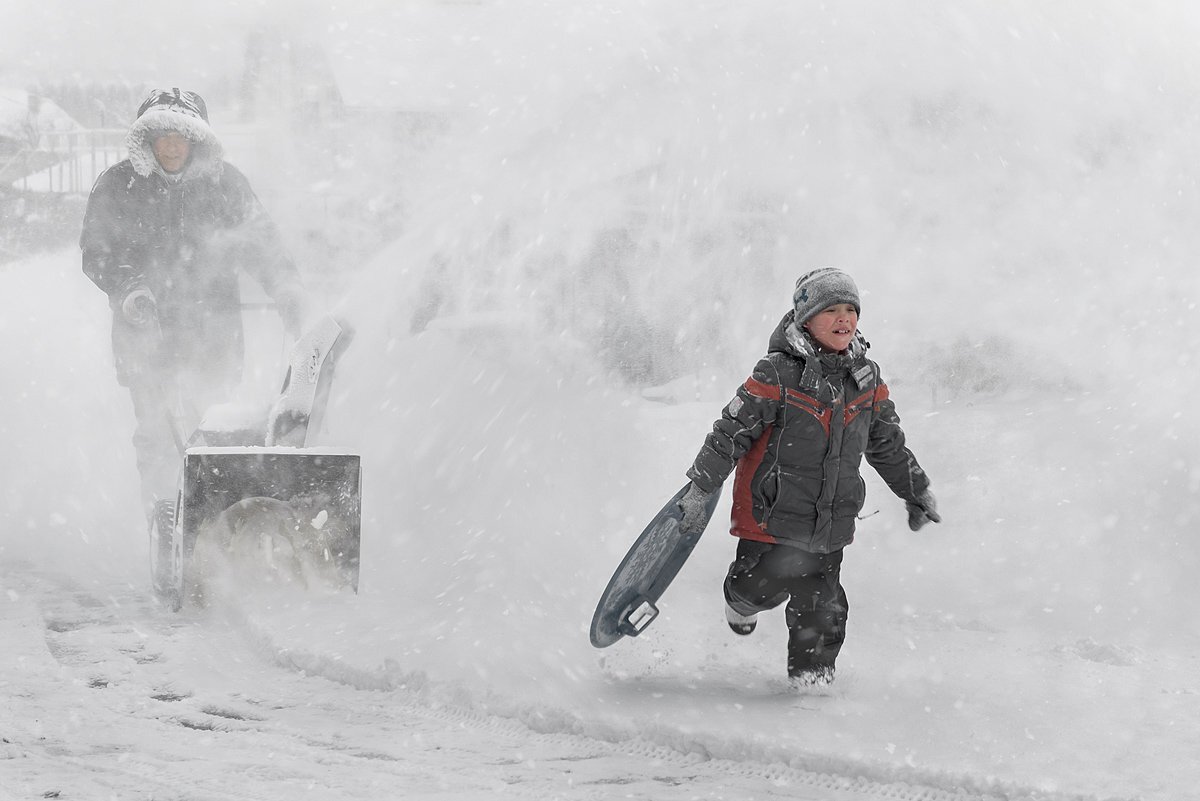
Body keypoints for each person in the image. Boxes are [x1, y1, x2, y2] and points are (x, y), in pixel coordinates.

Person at [678, 267, 939, 688]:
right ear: (805, 320)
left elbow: (887, 443)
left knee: (824, 606)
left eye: (850, 309)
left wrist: (916, 489)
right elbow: (730, 433)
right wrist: (700, 487)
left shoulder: (866, 379)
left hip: (829, 521)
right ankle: (739, 599)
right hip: (771, 516)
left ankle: (812, 685)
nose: (844, 318)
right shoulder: (777, 373)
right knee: (761, 583)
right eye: (831, 309)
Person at [80, 88, 310, 514]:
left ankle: (212, 521)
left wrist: (286, 287)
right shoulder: (119, 185)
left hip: (213, 332)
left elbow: (263, 245)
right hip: (144, 336)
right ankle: (163, 515)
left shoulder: (226, 185)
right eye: (162, 134)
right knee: (155, 431)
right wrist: (131, 289)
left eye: (181, 135)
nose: (171, 145)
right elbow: (97, 253)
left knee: (216, 430)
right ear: (146, 138)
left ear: (198, 139)